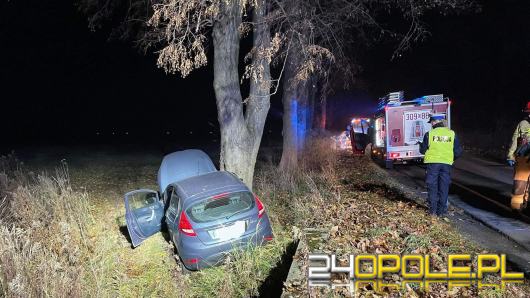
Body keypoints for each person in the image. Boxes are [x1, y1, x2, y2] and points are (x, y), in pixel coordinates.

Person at [419, 114, 463, 217]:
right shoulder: (452, 133)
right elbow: (458, 151)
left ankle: (433, 211)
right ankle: (441, 211)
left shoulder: (429, 134)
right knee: (444, 186)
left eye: (431, 123)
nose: (431, 124)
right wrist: (450, 159)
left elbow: (423, 150)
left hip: (433, 164)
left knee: (432, 186)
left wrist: (421, 145)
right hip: (446, 164)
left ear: (434, 122)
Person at [507, 102, 530, 210]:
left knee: (520, 181)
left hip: (523, 158)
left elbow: (515, 141)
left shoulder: (523, 124)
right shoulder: (523, 124)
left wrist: (510, 155)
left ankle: (516, 208)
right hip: (524, 158)